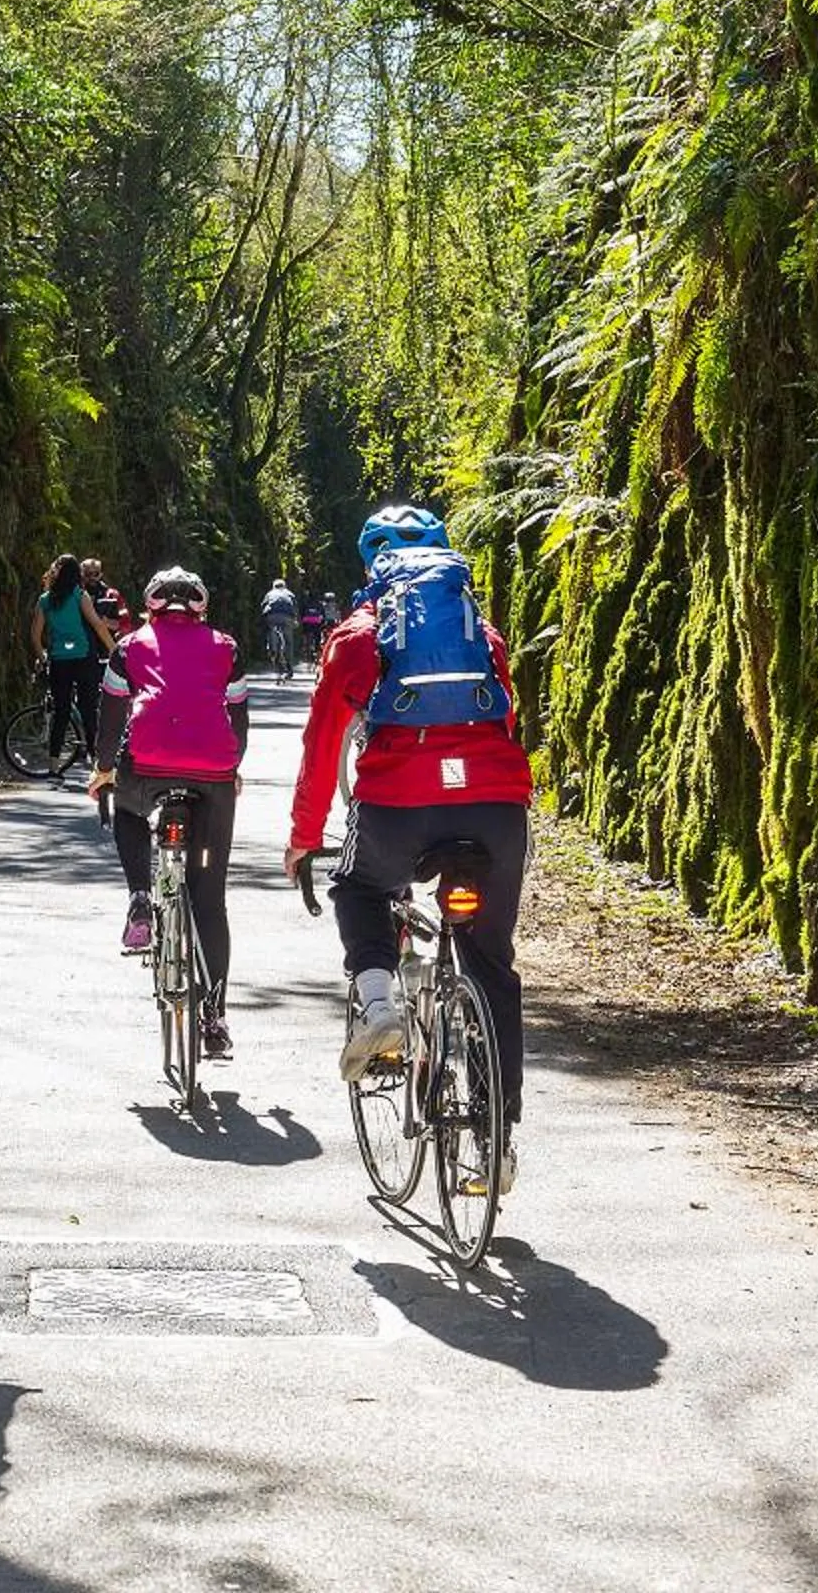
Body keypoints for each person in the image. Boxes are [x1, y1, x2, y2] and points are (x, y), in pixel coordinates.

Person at [284, 504, 532, 1194]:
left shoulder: (358, 635)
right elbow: (506, 720)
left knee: (360, 888)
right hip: (494, 806)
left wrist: (305, 837)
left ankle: (380, 1002)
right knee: (490, 964)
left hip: (400, 804)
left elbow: (322, 744)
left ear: (371, 566)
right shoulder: (479, 632)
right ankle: (497, 1141)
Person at [88, 568, 250, 1058]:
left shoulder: (130, 645)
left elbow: (112, 711)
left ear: (150, 606)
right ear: (201, 608)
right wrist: (233, 765)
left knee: (129, 811)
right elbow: (238, 713)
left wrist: (103, 770)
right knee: (210, 899)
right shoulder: (226, 647)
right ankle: (215, 1018)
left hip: (149, 768)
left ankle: (140, 895)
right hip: (214, 777)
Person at [27, 555, 112, 766]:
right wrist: (114, 649)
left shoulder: (45, 600)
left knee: (61, 711)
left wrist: (42, 657)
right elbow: (97, 625)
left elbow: (35, 636)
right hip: (84, 657)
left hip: (59, 660)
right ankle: (96, 759)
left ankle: (54, 762)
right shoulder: (80, 596)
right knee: (88, 708)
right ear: (78, 575)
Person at [260, 576, 300, 678]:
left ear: (274, 586)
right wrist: (295, 620)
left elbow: (263, 605)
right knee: (288, 642)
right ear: (284, 586)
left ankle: (272, 648)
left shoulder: (269, 593)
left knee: (270, 629)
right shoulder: (290, 593)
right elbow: (295, 608)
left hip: (272, 616)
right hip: (287, 617)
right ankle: (289, 667)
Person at [83, 557, 130, 640]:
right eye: (88, 574)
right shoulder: (76, 596)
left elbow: (125, 625)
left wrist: (106, 621)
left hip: (106, 646)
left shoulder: (113, 595)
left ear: (101, 574)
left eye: (96, 574)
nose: (92, 578)